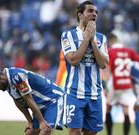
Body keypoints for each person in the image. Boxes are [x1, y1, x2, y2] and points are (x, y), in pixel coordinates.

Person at [60, 1, 109, 135]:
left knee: (91, 133)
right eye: (91, 11)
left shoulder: (101, 38)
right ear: (80, 15)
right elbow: (73, 60)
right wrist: (86, 38)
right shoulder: (68, 35)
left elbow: (104, 64)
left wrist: (92, 40)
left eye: (96, 12)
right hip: (74, 93)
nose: (94, 14)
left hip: (95, 95)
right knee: (75, 132)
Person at [0, 67, 64, 135]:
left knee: (45, 131)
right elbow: (17, 101)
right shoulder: (7, 82)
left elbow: (28, 99)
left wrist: (41, 121)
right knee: (30, 132)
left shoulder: (17, 76)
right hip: (41, 106)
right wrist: (30, 121)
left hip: (53, 100)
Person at [105, 33, 139, 135]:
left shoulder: (110, 51)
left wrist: (105, 85)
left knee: (108, 108)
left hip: (114, 83)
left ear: (111, 42)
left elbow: (107, 69)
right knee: (126, 111)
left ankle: (109, 134)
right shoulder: (129, 51)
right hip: (126, 84)